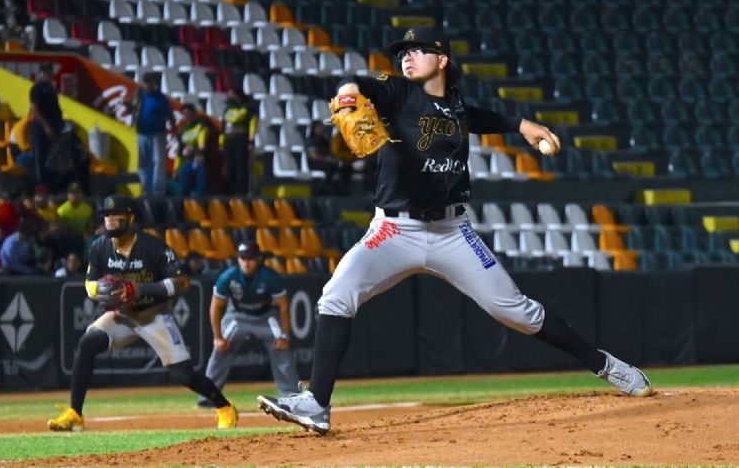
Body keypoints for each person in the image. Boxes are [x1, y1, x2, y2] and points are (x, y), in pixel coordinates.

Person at [256, 28, 653, 435]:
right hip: (394, 229)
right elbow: (355, 84)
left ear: (442, 60)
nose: (406, 57)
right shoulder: (397, 92)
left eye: (417, 50)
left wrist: (522, 125)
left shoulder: (456, 103)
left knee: (516, 311)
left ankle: (605, 365)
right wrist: (345, 96)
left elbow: (474, 117)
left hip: (452, 232)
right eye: (403, 52)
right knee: (336, 297)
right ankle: (317, 404)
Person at [47, 195, 238, 431]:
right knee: (87, 342)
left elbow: (183, 282)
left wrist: (140, 290)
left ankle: (224, 406)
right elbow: (89, 285)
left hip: (153, 314)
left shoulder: (152, 246)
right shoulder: (99, 247)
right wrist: (103, 290)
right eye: (106, 215)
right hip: (122, 315)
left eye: (116, 215)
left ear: (131, 217)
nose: (109, 220)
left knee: (184, 375)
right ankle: (75, 413)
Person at [197, 241, 300, 408]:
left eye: (250, 259)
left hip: (265, 317)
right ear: (238, 259)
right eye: (243, 258)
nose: (246, 262)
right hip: (238, 317)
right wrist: (217, 337)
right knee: (220, 349)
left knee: (282, 347)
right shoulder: (228, 277)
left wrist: (285, 335)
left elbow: (284, 305)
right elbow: (215, 306)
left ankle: (293, 397)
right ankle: (208, 396)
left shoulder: (269, 277)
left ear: (258, 259)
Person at [130, 71, 174, 197]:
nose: (148, 85)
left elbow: (169, 114)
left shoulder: (161, 98)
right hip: (142, 132)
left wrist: (173, 128)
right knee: (143, 163)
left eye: (151, 83)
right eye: (146, 83)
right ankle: (146, 189)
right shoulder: (139, 95)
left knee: (158, 162)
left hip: (158, 133)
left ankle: (158, 191)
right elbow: (132, 108)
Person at [29, 63, 64, 189]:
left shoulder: (50, 89)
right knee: (40, 157)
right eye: (48, 72)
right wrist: (45, 126)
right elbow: (35, 110)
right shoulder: (37, 88)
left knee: (51, 158)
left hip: (53, 128)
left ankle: (51, 185)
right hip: (41, 129)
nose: (50, 75)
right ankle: (40, 185)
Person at [220, 87, 256, 195]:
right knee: (230, 166)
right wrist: (221, 142)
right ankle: (230, 191)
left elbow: (253, 125)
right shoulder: (227, 109)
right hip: (228, 140)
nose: (229, 96)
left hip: (241, 139)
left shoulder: (247, 109)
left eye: (231, 94)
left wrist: (251, 141)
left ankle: (241, 192)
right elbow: (223, 126)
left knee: (241, 166)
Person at [306, 121, 352, 195]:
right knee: (331, 166)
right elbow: (314, 156)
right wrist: (327, 159)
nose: (322, 129)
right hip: (315, 163)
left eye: (322, 127)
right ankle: (324, 188)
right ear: (314, 129)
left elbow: (331, 152)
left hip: (328, 161)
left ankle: (344, 189)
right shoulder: (311, 140)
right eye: (319, 127)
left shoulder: (325, 140)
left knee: (346, 166)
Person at [172, 104, 207, 197]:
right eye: (185, 114)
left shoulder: (201, 126)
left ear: (194, 113)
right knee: (183, 184)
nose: (187, 116)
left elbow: (202, 143)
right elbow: (179, 151)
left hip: (198, 159)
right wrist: (175, 168)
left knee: (201, 184)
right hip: (186, 161)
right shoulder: (183, 130)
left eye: (189, 113)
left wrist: (197, 151)